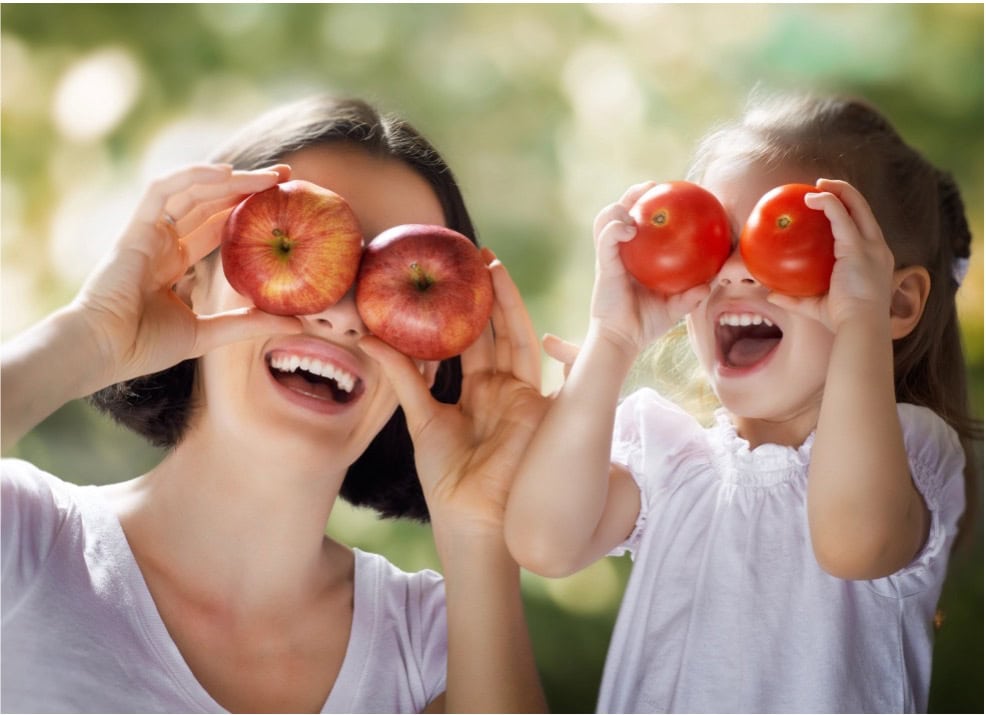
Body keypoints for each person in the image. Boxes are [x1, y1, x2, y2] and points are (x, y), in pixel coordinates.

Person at [1, 95, 548, 714]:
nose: (340, 314)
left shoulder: (440, 644)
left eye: (396, 279)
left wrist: (480, 532)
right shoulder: (25, 541)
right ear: (189, 281)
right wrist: (92, 337)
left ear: (430, 360)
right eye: (303, 246)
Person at [504, 92, 978, 713]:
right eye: (714, 243)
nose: (734, 272)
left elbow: (853, 542)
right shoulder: (672, 464)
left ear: (896, 303)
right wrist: (612, 339)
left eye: (784, 242)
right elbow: (544, 543)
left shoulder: (910, 451)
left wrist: (859, 320)